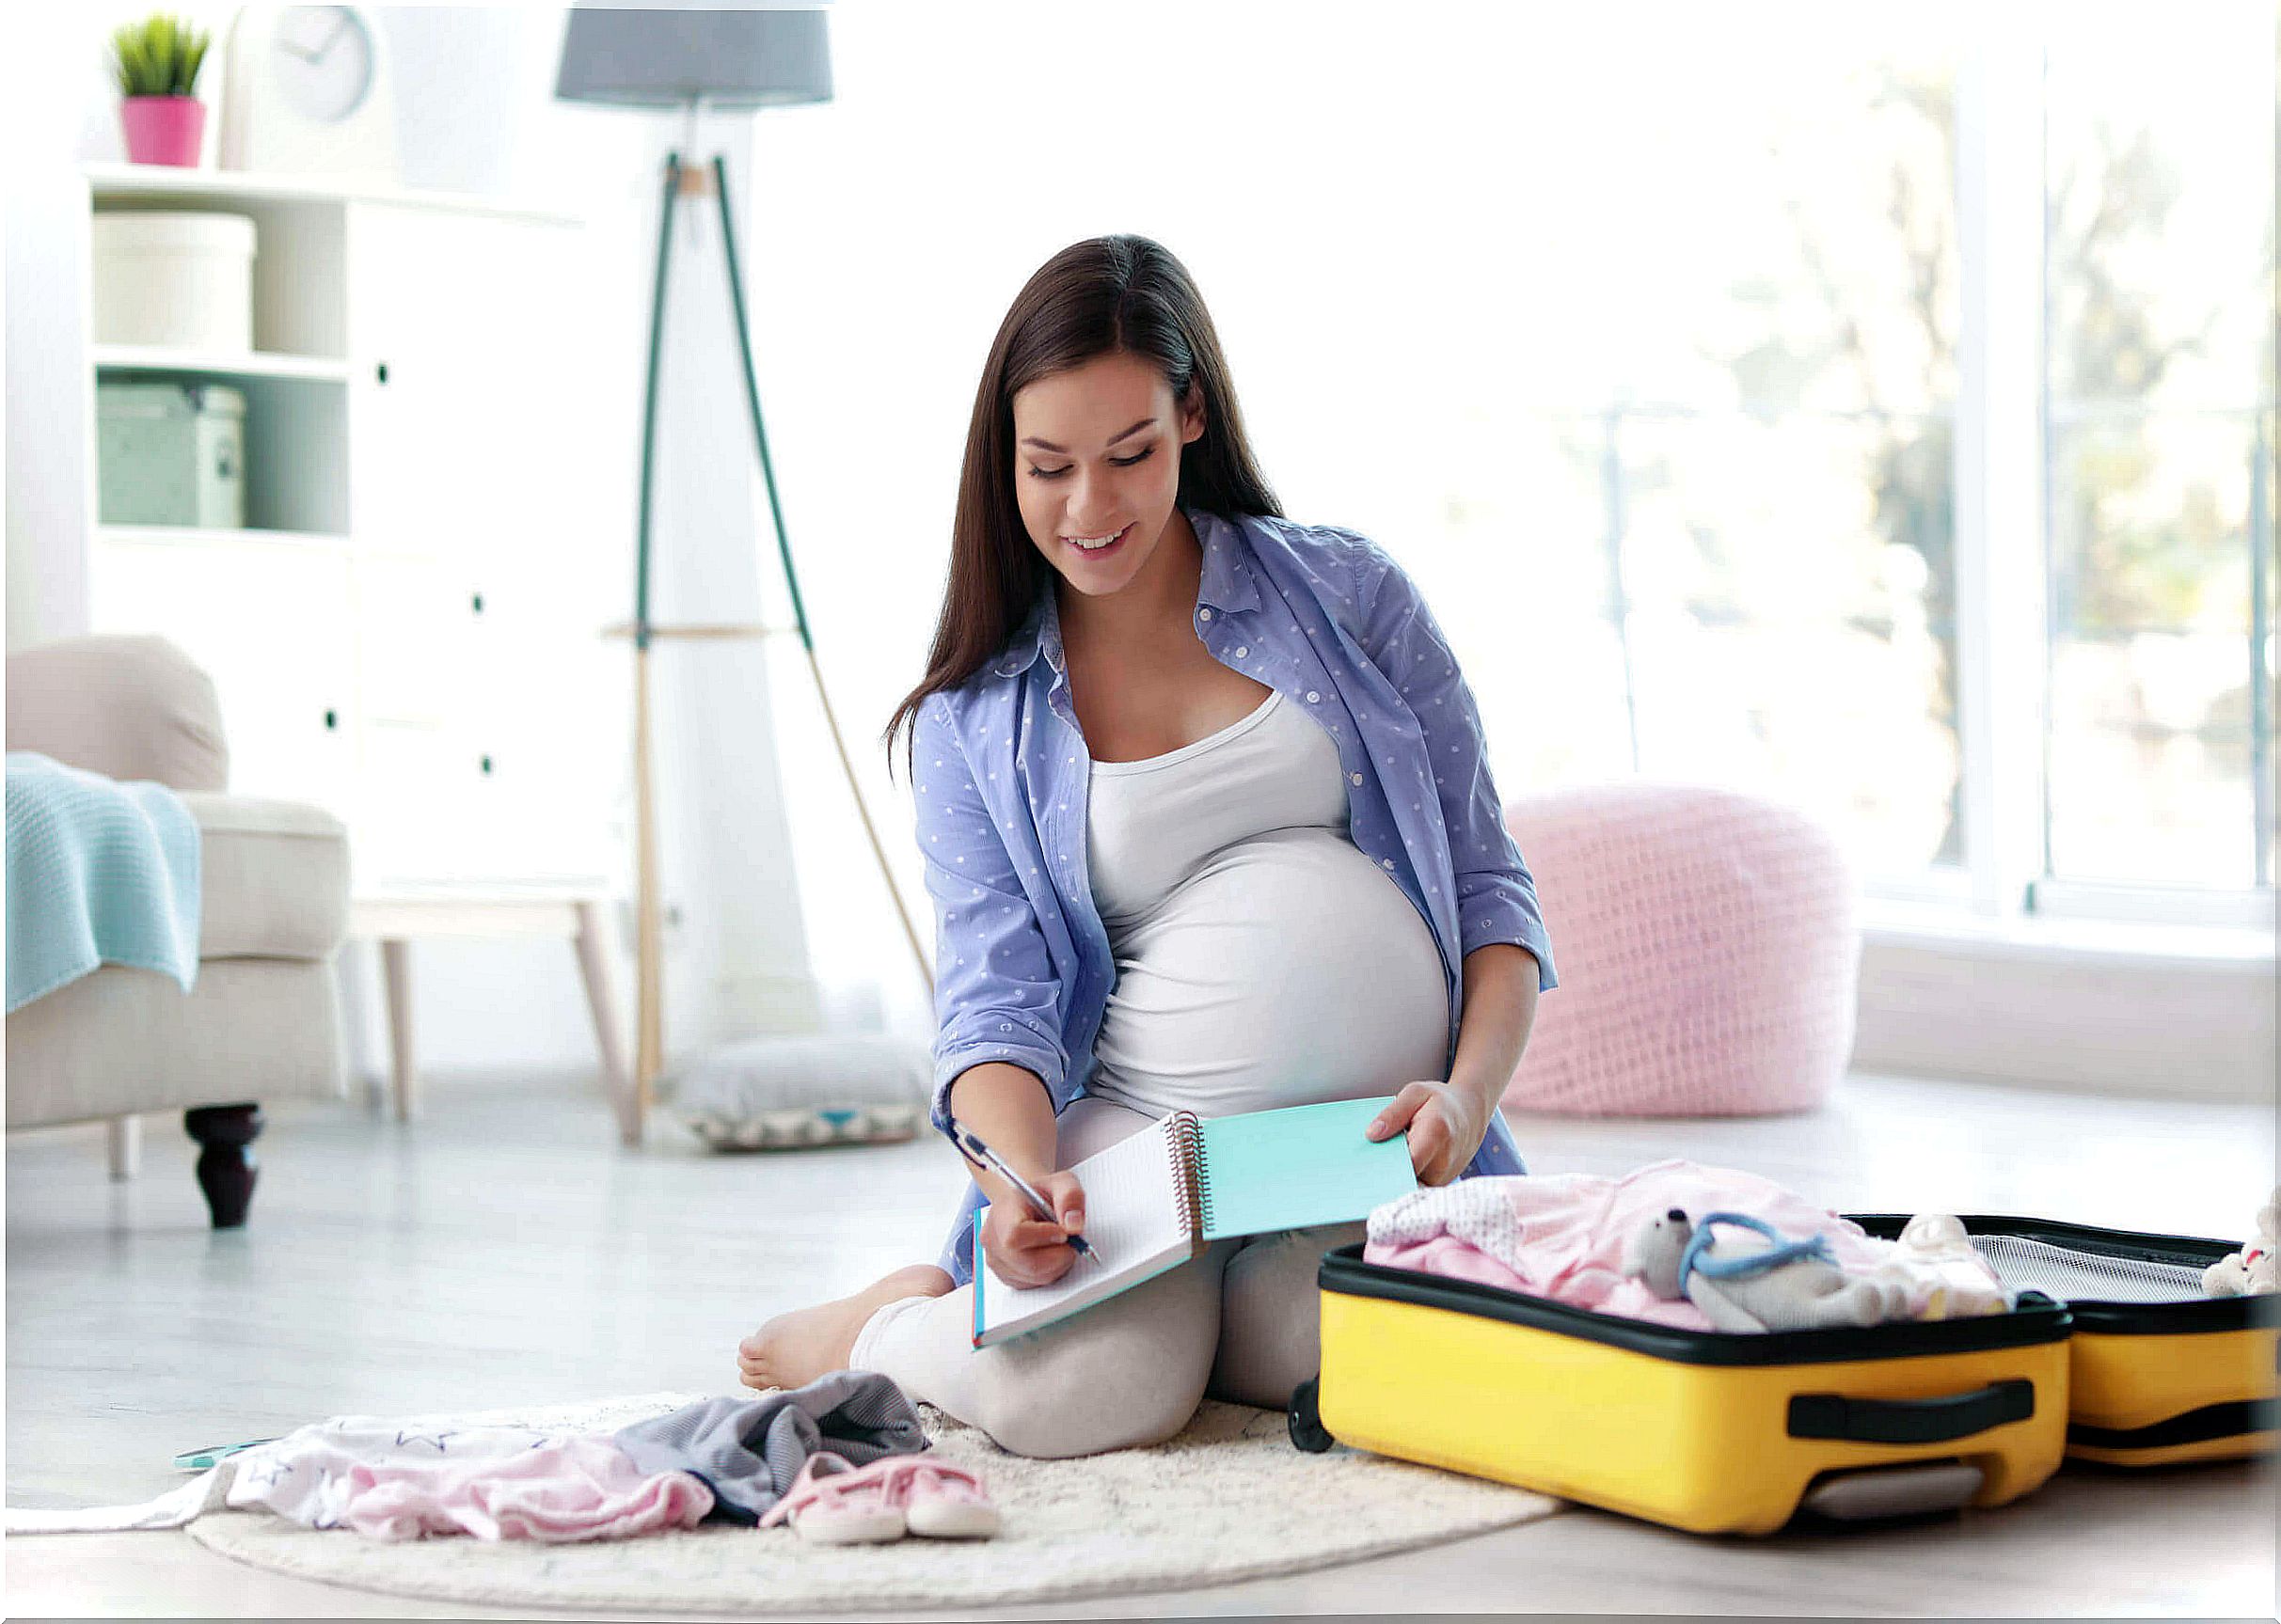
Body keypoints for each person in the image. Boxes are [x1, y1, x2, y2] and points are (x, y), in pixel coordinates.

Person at [737, 234, 1556, 1458]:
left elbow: (1490, 893)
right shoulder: (982, 719)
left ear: (1190, 417)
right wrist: (1018, 1179)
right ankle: (881, 1331)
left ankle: (1185, 1319)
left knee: (1391, 1349)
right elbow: (994, 1007)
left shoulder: (1350, 598)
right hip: (1137, 1151)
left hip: (1349, 1157)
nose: (1088, 508)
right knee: (1082, 1406)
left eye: (1128, 456)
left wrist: (1465, 1093)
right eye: (1046, 467)